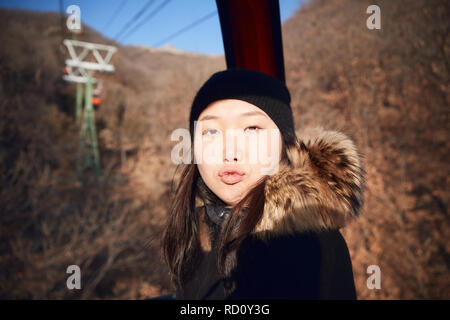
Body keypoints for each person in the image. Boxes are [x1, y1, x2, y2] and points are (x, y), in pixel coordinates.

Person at [161, 68, 365, 300]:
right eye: (211, 131)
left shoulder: (312, 248)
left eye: (252, 129)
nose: (229, 152)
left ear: (283, 145)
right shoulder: (195, 234)